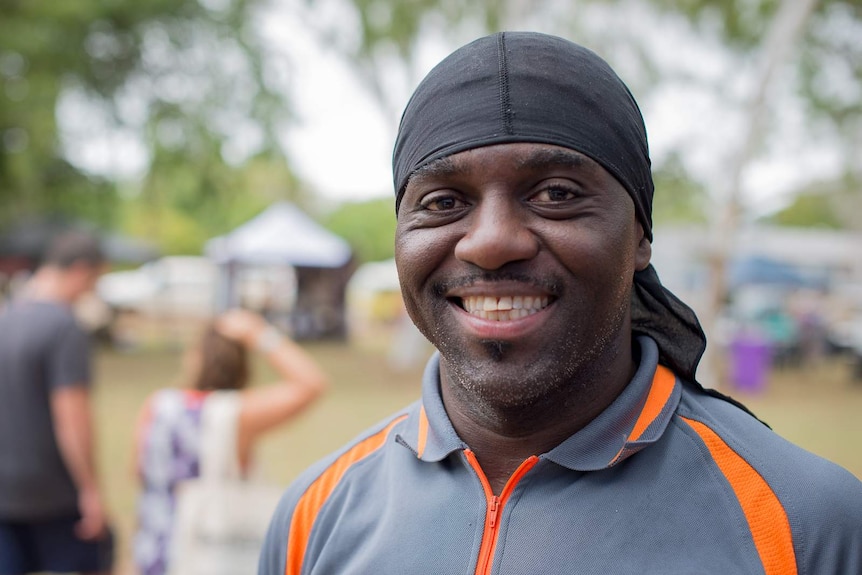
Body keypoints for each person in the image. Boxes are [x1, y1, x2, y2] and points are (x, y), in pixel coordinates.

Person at [259, 31, 862, 574]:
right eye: (444, 202)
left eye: (556, 193)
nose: (492, 241)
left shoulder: (804, 525)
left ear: (640, 237)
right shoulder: (317, 514)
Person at [133, 308, 327, 575]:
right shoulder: (236, 413)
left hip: (158, 552)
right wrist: (261, 334)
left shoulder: (158, 405)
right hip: (211, 556)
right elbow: (311, 384)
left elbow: (138, 472)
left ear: (195, 356)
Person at [0, 230, 114, 575]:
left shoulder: (5, 318)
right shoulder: (64, 327)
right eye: (95, 281)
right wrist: (91, 491)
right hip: (54, 497)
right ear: (80, 271)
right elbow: (71, 418)